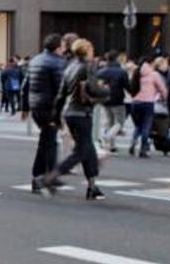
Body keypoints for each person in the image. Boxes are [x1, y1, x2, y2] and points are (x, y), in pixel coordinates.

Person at [38, 39, 107, 200]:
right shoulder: (87, 67)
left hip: (70, 112)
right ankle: (49, 178)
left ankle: (92, 186)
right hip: (82, 112)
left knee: (88, 150)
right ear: (87, 50)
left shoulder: (70, 68)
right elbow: (92, 88)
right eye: (91, 48)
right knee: (81, 151)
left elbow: (61, 94)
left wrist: (56, 116)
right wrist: (105, 90)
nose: (93, 51)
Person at [23, 34, 67, 192]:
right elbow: (61, 89)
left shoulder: (35, 60)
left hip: (36, 105)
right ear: (57, 47)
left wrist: (25, 107)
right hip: (50, 107)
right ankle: (46, 177)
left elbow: (26, 85)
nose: (64, 48)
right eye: (63, 45)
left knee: (46, 141)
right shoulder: (58, 63)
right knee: (49, 143)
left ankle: (40, 177)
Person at [128, 55, 167, 158]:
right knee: (146, 126)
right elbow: (162, 88)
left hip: (135, 102)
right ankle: (142, 148)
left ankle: (133, 142)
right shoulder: (154, 74)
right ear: (151, 63)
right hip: (148, 102)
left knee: (138, 126)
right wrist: (164, 98)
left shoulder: (137, 73)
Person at [96, 51, 129, 152]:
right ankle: (106, 137)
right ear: (116, 59)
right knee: (119, 122)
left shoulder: (101, 71)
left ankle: (111, 145)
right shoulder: (121, 72)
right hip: (118, 99)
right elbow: (127, 85)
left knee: (109, 121)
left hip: (105, 99)